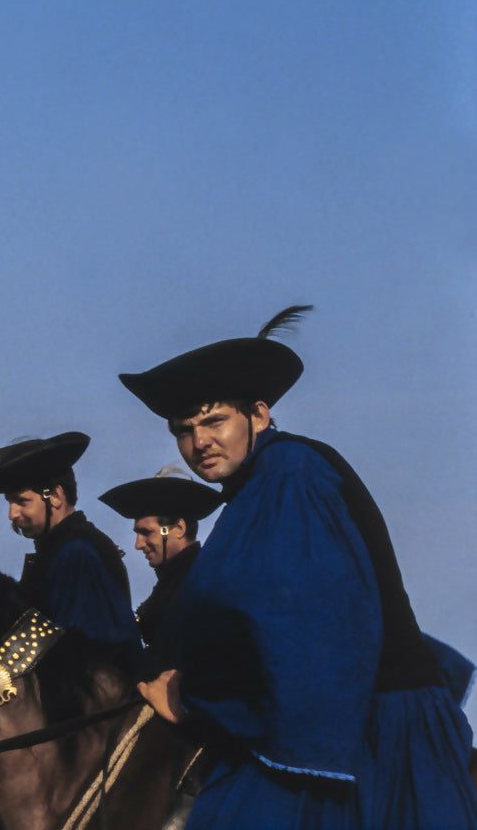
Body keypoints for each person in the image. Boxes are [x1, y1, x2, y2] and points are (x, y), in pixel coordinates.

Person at [120, 307, 477, 829]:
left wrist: (193, 701)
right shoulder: (256, 488)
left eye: (214, 420)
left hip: (362, 732)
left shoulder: (292, 475)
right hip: (331, 718)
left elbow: (307, 630)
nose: (199, 443)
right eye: (184, 430)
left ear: (258, 415)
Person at [0, 432, 138, 650]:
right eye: (9, 502)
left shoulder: (78, 552)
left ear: (55, 496)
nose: (12, 514)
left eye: (21, 501)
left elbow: (82, 652)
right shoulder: (62, 550)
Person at [97, 470, 220, 649]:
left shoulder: (202, 581)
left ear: (179, 528)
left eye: (146, 533)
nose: (138, 545)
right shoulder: (176, 580)